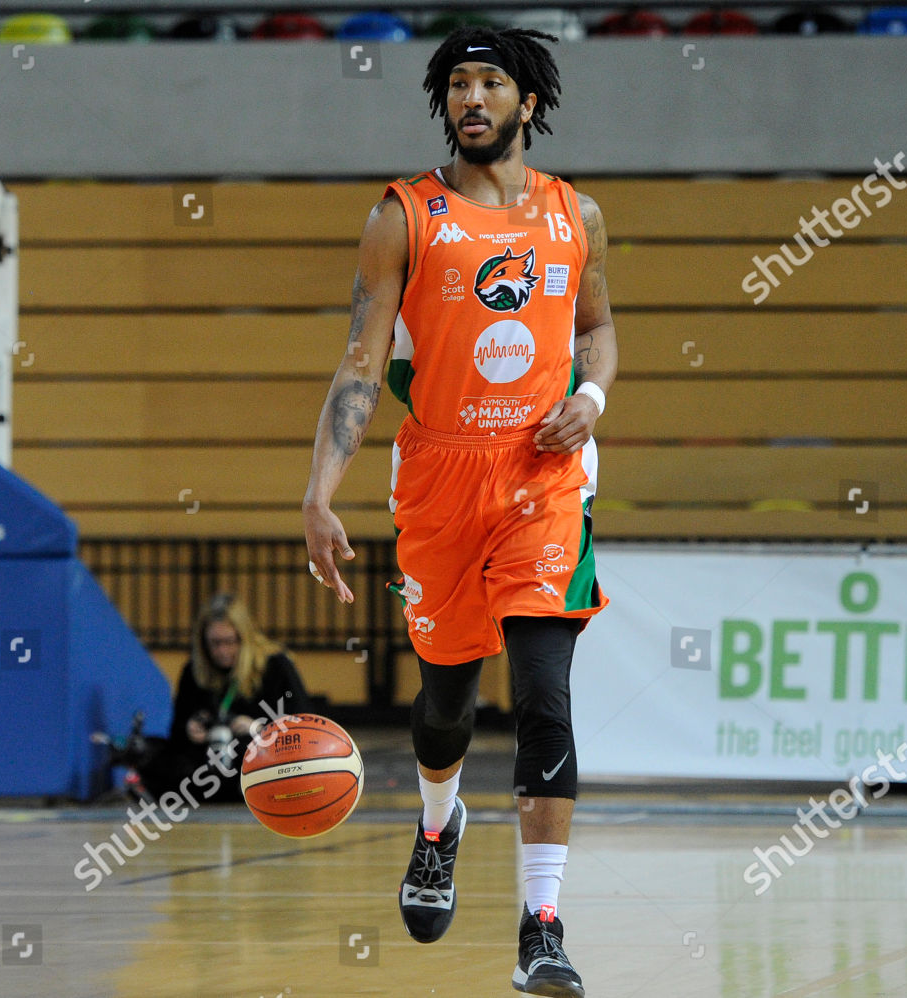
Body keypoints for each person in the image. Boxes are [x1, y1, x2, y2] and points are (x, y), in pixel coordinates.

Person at [302, 26, 614, 998]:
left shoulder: (578, 216)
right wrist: (319, 490)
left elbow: (598, 329)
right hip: (439, 476)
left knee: (545, 692)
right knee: (445, 709)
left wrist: (591, 398)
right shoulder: (403, 216)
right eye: (459, 84)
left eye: (492, 82)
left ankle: (544, 924)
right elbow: (361, 364)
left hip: (544, 480)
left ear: (530, 101)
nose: (472, 98)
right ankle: (439, 823)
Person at [141, 593, 312, 802]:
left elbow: (302, 725)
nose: (222, 651)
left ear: (244, 638)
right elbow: (176, 732)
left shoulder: (276, 666)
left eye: (229, 642)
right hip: (207, 758)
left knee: (248, 755)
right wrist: (190, 727)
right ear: (203, 643)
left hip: (257, 756)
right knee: (151, 753)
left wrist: (260, 729)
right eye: (214, 643)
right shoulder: (194, 671)